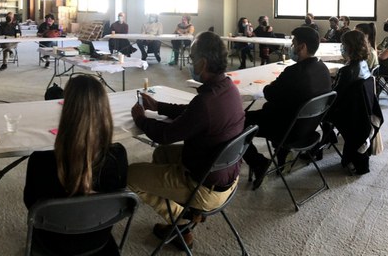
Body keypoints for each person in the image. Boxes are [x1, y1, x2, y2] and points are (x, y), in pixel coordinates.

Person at [128, 31, 245, 249]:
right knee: (161, 155)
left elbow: (165, 135)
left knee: (130, 175)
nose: (190, 63)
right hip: (225, 175)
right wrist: (159, 106)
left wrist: (141, 119)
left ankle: (181, 221)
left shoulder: (205, 102)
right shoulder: (228, 88)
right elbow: (192, 113)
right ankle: (181, 212)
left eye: (192, 58)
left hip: (205, 187)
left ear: (202, 63)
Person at [23, 75, 127, 255]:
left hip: (52, 244)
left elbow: (30, 204)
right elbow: (119, 200)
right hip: (98, 241)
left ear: (66, 110)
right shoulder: (118, 156)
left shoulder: (41, 160)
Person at [243, 26, 332, 189]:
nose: (291, 47)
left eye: (294, 43)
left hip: (287, 130)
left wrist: (272, 86)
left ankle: (258, 162)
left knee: (237, 121)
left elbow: (269, 93)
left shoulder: (293, 72)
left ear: (302, 47)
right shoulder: (323, 69)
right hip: (309, 128)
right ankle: (281, 156)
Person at [317, 30, 374, 172]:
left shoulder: (347, 71)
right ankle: (328, 137)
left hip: (345, 113)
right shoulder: (364, 65)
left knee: (313, 111)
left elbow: (334, 97)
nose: (341, 47)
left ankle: (318, 144)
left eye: (343, 44)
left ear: (350, 47)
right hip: (359, 112)